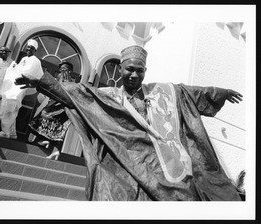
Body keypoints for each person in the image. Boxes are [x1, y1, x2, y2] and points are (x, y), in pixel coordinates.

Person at [15, 45, 243, 201]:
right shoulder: (108, 96)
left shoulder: (162, 92)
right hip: (123, 163)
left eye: (140, 70)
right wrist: (40, 79)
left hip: (163, 165)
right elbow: (72, 94)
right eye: (130, 69)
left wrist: (218, 92)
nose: (134, 75)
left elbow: (189, 93)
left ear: (145, 71)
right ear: (120, 69)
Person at [0, 39, 43, 139]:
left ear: (35, 50)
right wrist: (14, 67)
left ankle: (5, 132)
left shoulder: (35, 60)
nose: (29, 49)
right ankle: (12, 133)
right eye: (28, 47)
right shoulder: (24, 58)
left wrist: (15, 67)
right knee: (11, 107)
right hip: (15, 86)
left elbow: (28, 72)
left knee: (10, 106)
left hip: (20, 86)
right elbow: (19, 69)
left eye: (31, 48)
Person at [28, 61, 74, 160]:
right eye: (61, 68)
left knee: (43, 116)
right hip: (62, 106)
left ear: (70, 71)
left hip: (57, 104)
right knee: (58, 126)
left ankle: (46, 140)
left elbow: (56, 89)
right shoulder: (70, 80)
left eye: (64, 68)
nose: (62, 69)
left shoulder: (63, 76)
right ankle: (51, 146)